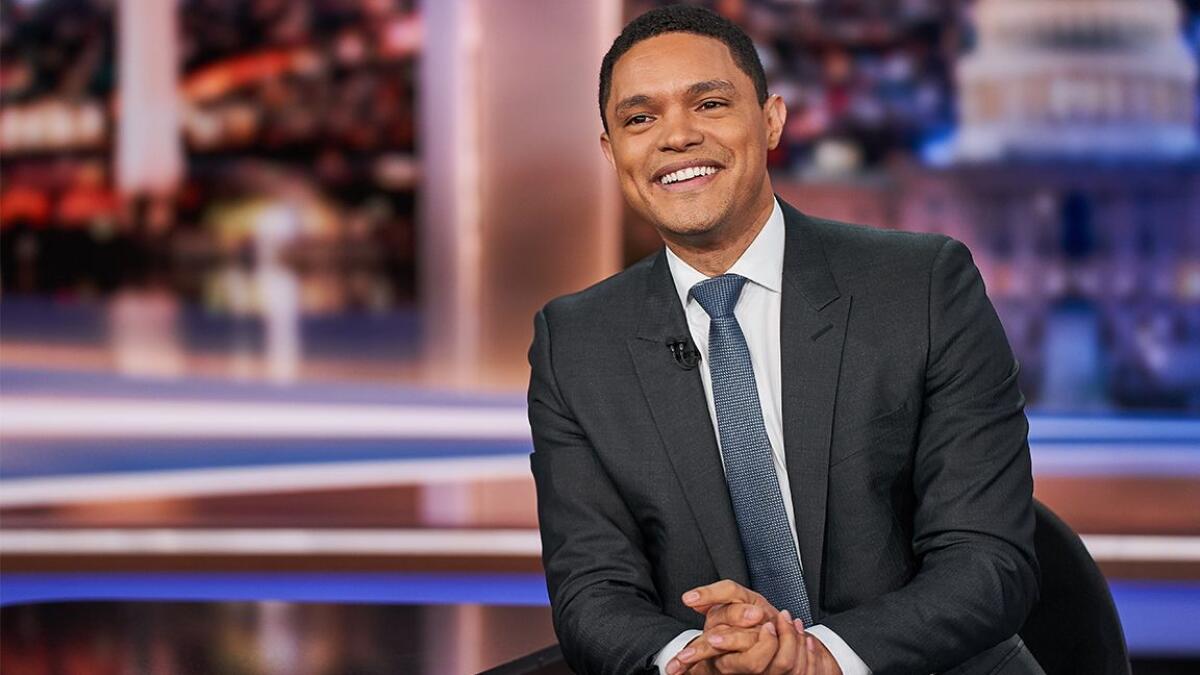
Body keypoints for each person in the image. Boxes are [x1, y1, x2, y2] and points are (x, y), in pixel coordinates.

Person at [527, 6, 1042, 674]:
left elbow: (988, 560)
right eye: (639, 118)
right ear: (610, 152)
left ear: (771, 121)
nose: (676, 136)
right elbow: (592, 589)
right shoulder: (575, 341)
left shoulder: (923, 286)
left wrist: (821, 656)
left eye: (709, 103)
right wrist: (692, 656)